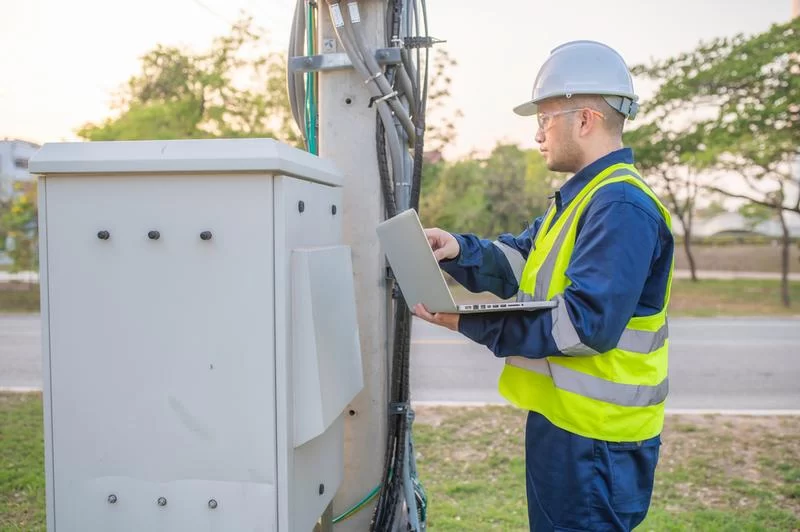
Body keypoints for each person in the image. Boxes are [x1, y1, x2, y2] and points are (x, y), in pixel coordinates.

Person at [413, 40, 674, 531]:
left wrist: (468, 322)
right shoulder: (585, 197)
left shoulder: (620, 206)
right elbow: (519, 261)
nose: (537, 134)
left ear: (585, 120)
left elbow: (582, 325)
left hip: (597, 440)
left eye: (545, 118)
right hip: (569, 428)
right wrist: (458, 250)